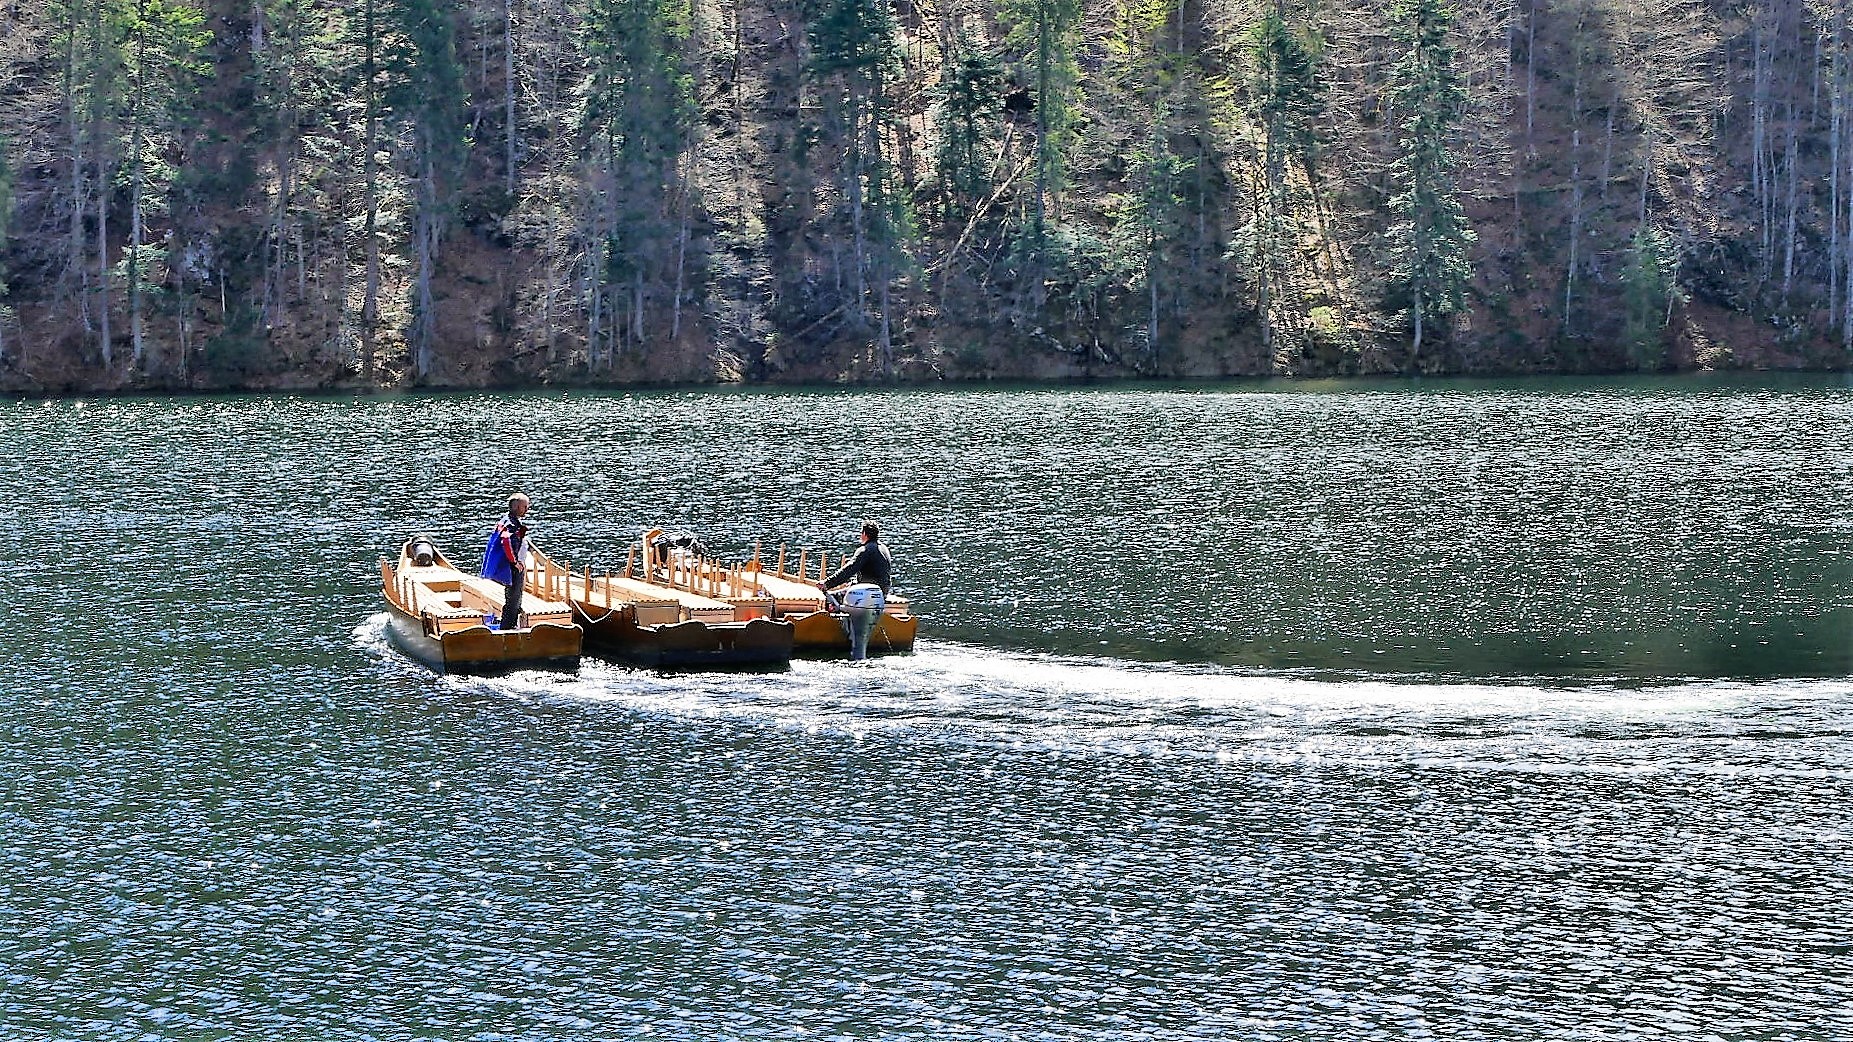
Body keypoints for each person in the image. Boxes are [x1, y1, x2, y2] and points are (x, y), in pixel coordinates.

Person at [817, 521, 893, 661]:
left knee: (832, 598)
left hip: (865, 594)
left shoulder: (864, 550)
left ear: (864, 534)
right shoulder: (884, 549)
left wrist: (827, 583)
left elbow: (848, 570)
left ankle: (839, 634)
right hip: (881, 595)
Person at [481, 493, 532, 630]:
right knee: (514, 598)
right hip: (513, 568)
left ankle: (509, 624)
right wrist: (515, 562)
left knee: (512, 597)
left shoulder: (506, 520)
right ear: (516, 507)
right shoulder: (511, 525)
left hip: (509, 566)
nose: (527, 509)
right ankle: (508, 628)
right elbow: (506, 541)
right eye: (525, 506)